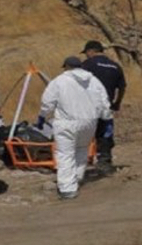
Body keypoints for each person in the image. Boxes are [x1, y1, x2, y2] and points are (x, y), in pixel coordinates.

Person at [38, 56, 112, 200]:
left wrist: (42, 116)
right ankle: (77, 177)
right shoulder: (93, 80)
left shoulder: (59, 81)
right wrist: (107, 118)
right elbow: (103, 101)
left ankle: (67, 188)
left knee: (65, 154)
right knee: (81, 149)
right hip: (89, 122)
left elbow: (48, 102)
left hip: (67, 122)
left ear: (66, 66)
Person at [80, 40, 127, 175]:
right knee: (105, 134)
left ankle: (79, 164)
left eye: (87, 53)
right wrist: (117, 103)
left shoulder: (87, 64)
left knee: (82, 134)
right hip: (106, 107)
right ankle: (105, 162)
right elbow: (122, 87)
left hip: (88, 106)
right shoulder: (115, 66)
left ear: (91, 51)